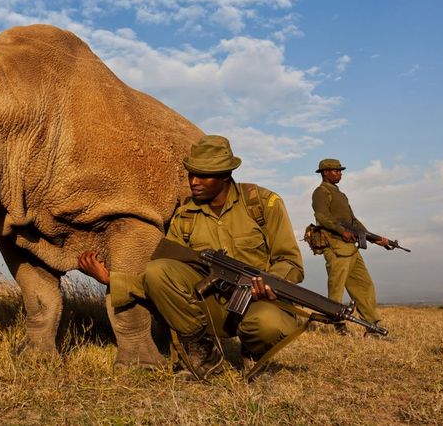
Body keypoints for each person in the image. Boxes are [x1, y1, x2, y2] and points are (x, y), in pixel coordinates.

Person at [79, 135, 304, 380]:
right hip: (211, 307)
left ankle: (253, 352)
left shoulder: (262, 204)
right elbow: (158, 279)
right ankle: (202, 353)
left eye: (203, 175)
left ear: (225, 175)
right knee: (158, 269)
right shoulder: (185, 216)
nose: (193, 182)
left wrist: (270, 282)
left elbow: (291, 263)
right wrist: (111, 279)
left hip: (259, 301)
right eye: (191, 174)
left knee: (268, 324)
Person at [311, 159, 387, 336]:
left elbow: (353, 221)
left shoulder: (341, 194)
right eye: (335, 171)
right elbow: (322, 217)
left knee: (364, 285)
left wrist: (374, 238)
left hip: (350, 248)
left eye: (340, 170)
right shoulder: (321, 192)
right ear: (325, 173)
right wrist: (341, 231)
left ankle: (372, 325)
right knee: (336, 287)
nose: (339, 173)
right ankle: (337, 324)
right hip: (335, 246)